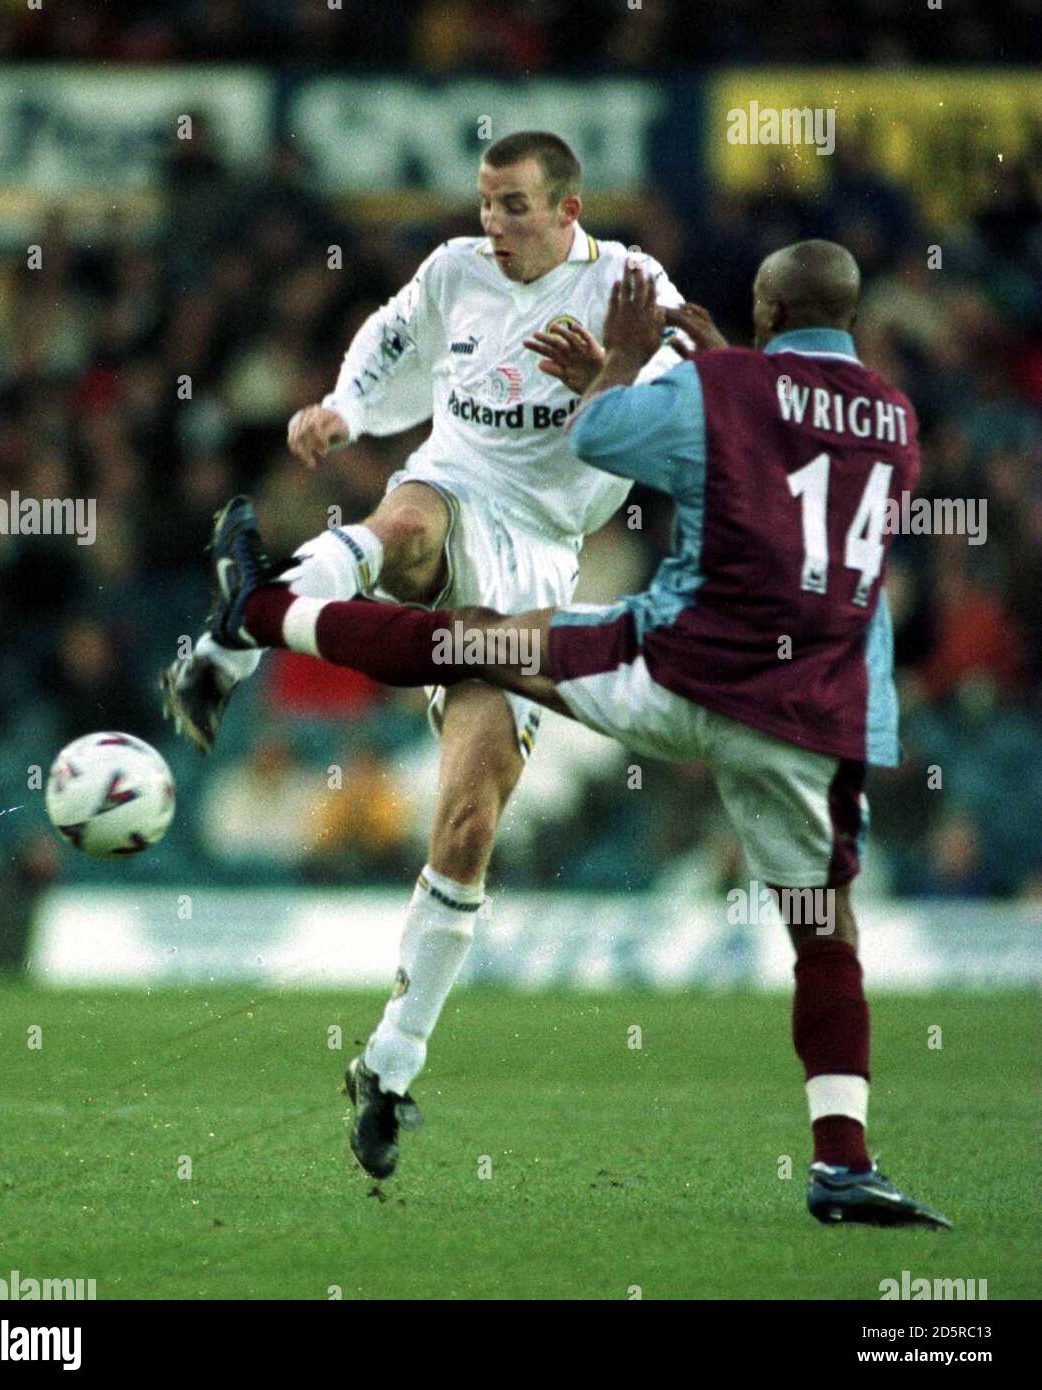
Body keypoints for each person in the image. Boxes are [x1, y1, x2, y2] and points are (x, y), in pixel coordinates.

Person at [200, 242, 952, 1229]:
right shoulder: (894, 423)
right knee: (823, 934)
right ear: (845, 320)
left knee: (468, 641)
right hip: (812, 712)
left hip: (678, 669)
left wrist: (615, 364)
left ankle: (259, 611)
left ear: (764, 309)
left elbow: (604, 439)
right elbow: (785, 441)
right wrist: (718, 357)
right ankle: (842, 1163)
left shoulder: (721, 391)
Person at [162, 131, 685, 1177]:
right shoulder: (454, 269)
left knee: (467, 819)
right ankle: (241, 624)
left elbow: (676, 432)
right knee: (400, 530)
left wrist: (611, 379)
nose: (492, 224)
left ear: (568, 207)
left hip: (541, 558)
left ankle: (389, 1066)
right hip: (451, 484)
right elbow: (391, 339)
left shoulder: (631, 287)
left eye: (514, 207)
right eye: (485, 202)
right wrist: (342, 410)